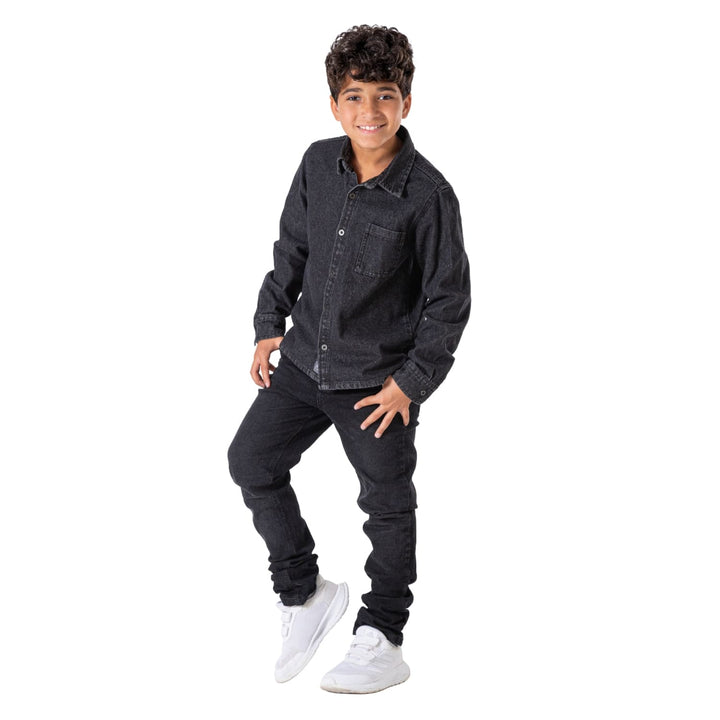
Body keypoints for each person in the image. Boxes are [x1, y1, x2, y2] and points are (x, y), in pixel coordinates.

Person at [228, 24, 471, 694]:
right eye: (355, 96)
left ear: (406, 102)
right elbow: (292, 251)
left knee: (386, 506)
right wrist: (269, 326)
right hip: (303, 363)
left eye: (385, 95)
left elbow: (449, 301)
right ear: (335, 105)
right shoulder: (316, 164)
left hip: (375, 385)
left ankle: (383, 634)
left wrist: (411, 384)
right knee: (250, 461)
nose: (371, 111)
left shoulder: (429, 195)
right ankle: (305, 593)